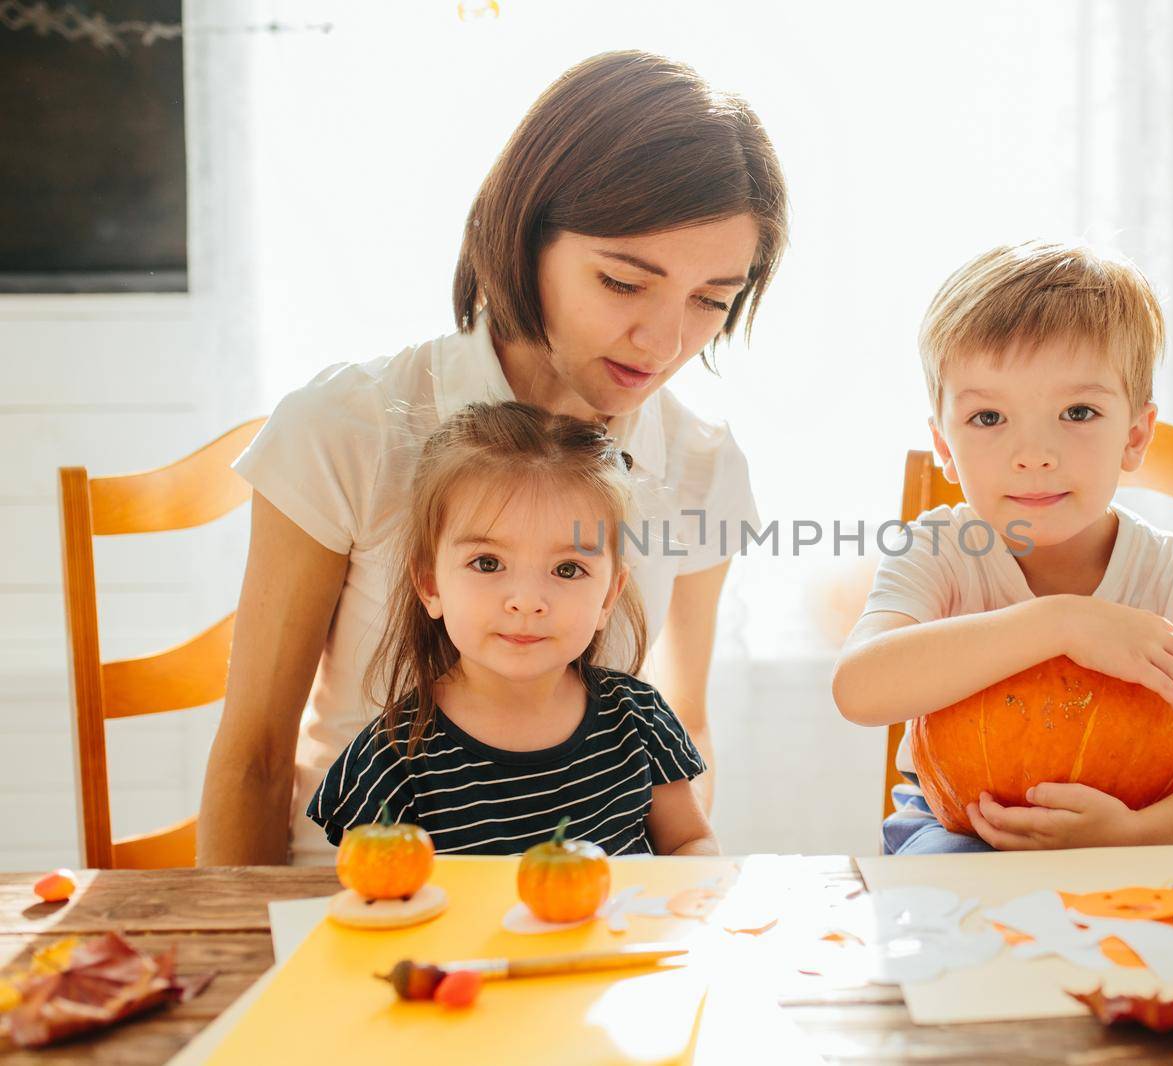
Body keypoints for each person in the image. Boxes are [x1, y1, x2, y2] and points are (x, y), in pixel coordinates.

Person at [199, 51, 786, 864]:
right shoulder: (346, 430)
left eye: (711, 301)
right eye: (622, 283)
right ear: (524, 234)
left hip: (589, 922)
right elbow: (256, 760)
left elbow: (683, 733)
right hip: (361, 914)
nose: (664, 342)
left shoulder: (701, 465)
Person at [831, 242, 1173, 855]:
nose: (1035, 453)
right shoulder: (940, 550)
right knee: (955, 916)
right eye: (989, 418)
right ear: (945, 444)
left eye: (1077, 411)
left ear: (1135, 435)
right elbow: (858, 689)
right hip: (961, 827)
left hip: (1144, 832)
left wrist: (1143, 834)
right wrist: (1061, 622)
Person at [309, 402, 714, 857]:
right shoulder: (390, 760)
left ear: (607, 596)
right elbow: (372, 893)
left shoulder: (637, 719)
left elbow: (690, 842)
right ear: (429, 584)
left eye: (566, 569)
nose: (526, 600)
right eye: (488, 563)